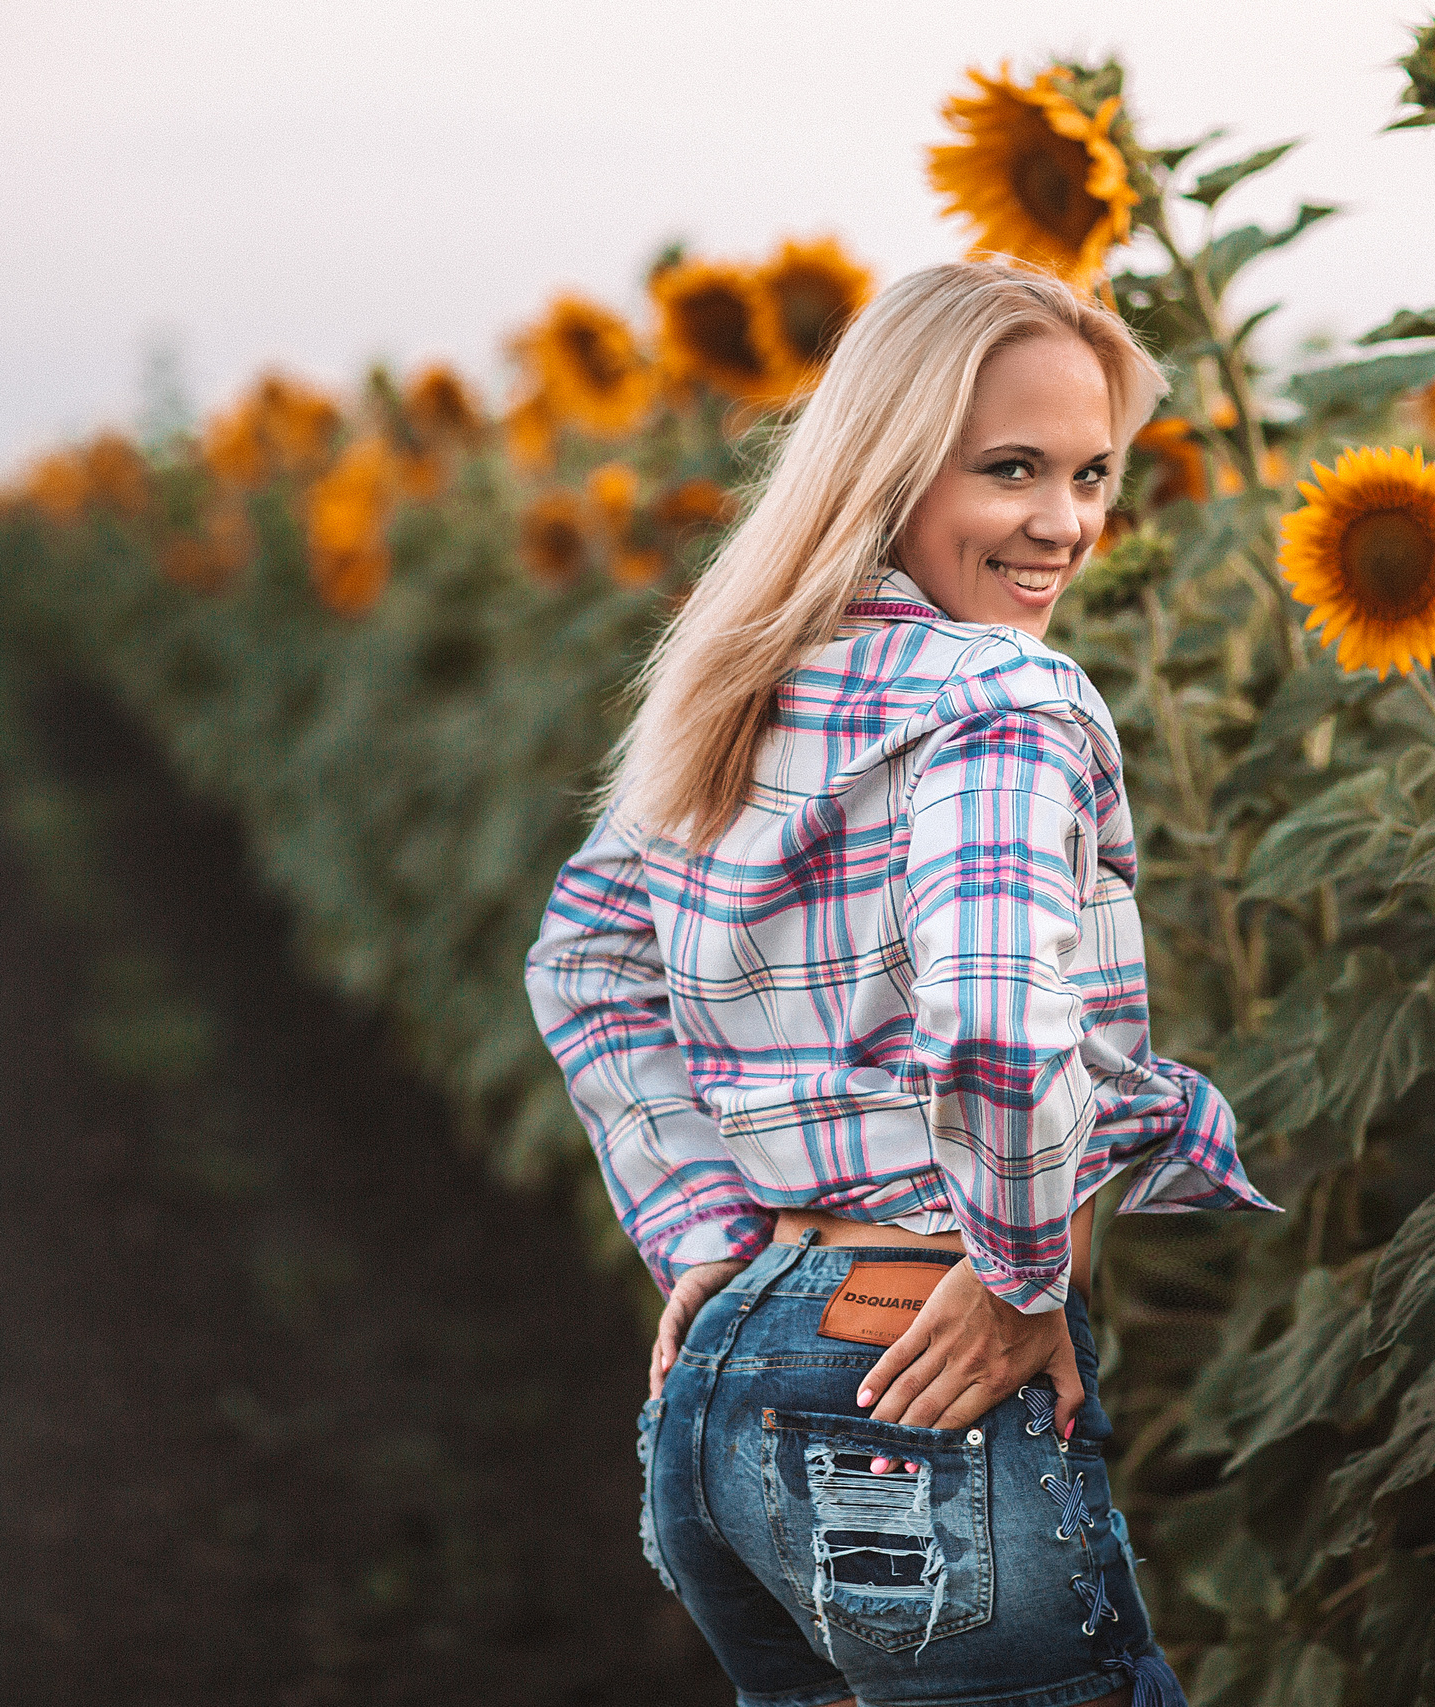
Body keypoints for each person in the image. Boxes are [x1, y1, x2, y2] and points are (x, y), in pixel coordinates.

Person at [527, 259, 1273, 1707]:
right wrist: (1016, 1277)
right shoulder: (1001, 695)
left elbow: (586, 966)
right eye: (1010, 470)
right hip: (915, 1370)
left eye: (1091, 473)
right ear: (894, 464)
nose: (1064, 523)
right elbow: (995, 1026)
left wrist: (703, 1236)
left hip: (733, 1368)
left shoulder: (741, 677)